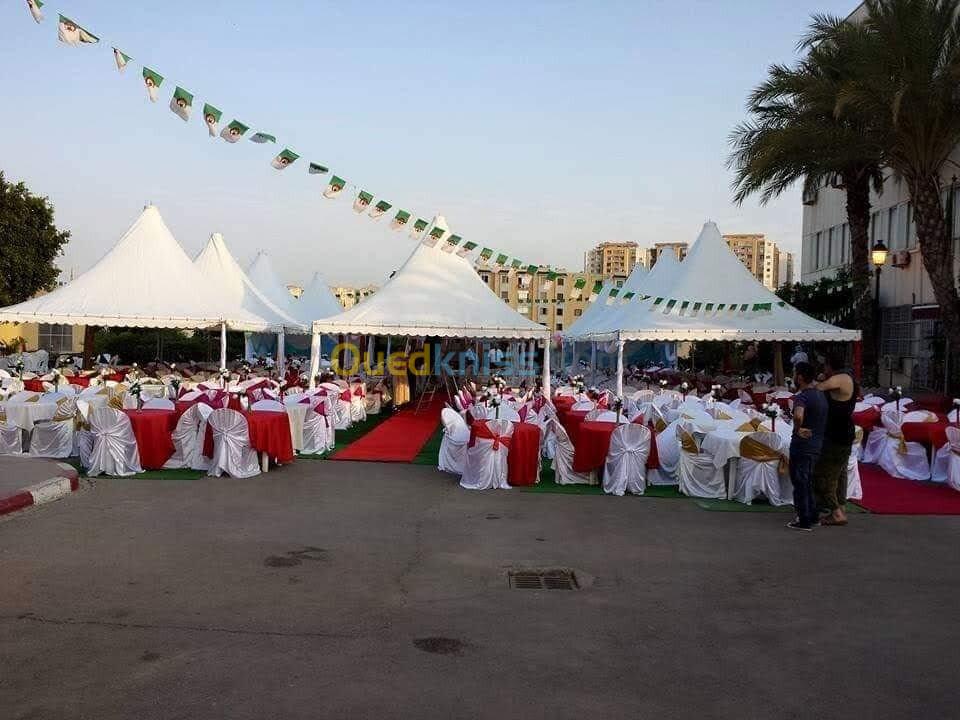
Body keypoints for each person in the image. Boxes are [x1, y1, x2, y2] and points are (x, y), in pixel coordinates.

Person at [812, 355, 857, 526]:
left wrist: (820, 380)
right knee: (840, 473)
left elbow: (818, 388)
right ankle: (840, 507)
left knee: (825, 474)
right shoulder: (846, 378)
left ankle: (836, 512)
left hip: (836, 435)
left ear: (829, 367)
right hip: (842, 432)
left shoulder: (841, 378)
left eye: (825, 367)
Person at [788, 362, 828, 531]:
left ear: (800, 377)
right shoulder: (821, 396)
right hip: (817, 444)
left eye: (794, 374)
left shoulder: (802, 397)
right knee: (808, 480)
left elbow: (798, 415)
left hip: (802, 445)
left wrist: (798, 429)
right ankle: (813, 515)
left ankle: (803, 519)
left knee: (800, 481)